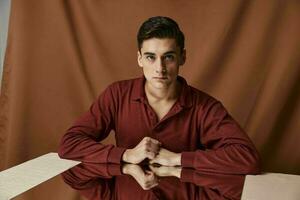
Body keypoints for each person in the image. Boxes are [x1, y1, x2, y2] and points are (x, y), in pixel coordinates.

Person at [58, 16, 260, 176]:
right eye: (150, 57)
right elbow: (69, 144)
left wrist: (177, 159)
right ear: (139, 59)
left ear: (183, 57)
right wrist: (127, 155)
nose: (160, 68)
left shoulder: (204, 106)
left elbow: (247, 159)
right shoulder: (117, 95)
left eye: (169, 57)